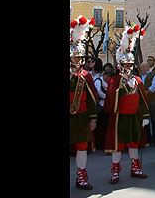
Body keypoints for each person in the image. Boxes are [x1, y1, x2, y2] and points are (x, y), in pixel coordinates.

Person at [104, 24, 151, 184]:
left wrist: (145, 116)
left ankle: (135, 168)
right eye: (126, 65)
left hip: (134, 117)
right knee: (117, 146)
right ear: (120, 65)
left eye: (130, 65)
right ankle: (115, 170)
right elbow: (110, 100)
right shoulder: (115, 80)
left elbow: (144, 100)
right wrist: (124, 87)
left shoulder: (137, 80)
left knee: (133, 143)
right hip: (119, 118)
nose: (129, 67)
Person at [69, 16, 98, 190]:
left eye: (80, 56)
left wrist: (93, 118)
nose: (78, 59)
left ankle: (81, 177)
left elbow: (93, 99)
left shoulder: (86, 76)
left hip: (81, 117)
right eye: (75, 57)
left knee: (82, 147)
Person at [139, 61, 155, 147]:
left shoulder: (154, 75)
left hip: (153, 101)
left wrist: (147, 91)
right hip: (143, 102)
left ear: (148, 67)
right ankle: (148, 140)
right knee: (145, 121)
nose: (142, 69)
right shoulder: (139, 77)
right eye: (141, 68)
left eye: (144, 67)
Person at [94, 66, 113, 150]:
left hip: (109, 106)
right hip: (101, 106)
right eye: (108, 76)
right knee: (101, 126)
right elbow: (99, 92)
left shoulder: (110, 82)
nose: (109, 78)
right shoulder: (98, 81)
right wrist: (108, 97)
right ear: (105, 75)